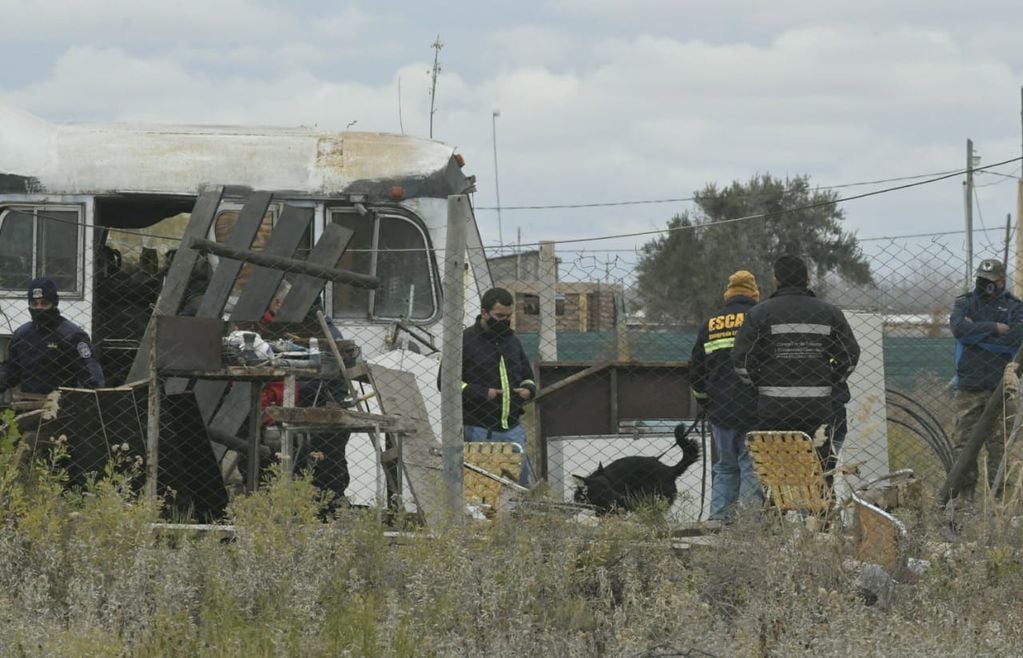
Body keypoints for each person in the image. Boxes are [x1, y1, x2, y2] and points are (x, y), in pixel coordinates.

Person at [731, 256, 860, 476]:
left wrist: (760, 384)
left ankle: (776, 509)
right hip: (818, 409)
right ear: (807, 279)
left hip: (773, 410)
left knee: (775, 476)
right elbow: (850, 355)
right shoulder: (830, 314)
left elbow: (741, 361)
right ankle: (818, 509)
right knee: (819, 474)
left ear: (776, 280)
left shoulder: (760, 314)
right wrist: (830, 380)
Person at [690, 270, 763, 521]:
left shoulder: (711, 324)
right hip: (755, 408)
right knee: (751, 467)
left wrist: (703, 400)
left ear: (728, 294)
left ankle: (718, 521)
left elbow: (696, 370)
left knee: (725, 466)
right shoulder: (758, 320)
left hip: (720, 410)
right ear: (754, 293)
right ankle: (751, 526)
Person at [948, 257, 1023, 499]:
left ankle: (999, 500)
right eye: (982, 280)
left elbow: (1014, 339)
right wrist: (994, 327)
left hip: (1002, 385)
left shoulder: (1015, 307)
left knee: (999, 446)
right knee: (963, 444)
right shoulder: (965, 303)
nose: (986, 285)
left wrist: (975, 333)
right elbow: (959, 330)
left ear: (1001, 281)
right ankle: (965, 497)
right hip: (969, 385)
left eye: (991, 281)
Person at [460, 287, 537, 486]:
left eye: (508, 316)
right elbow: (447, 383)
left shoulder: (513, 342)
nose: (504, 321)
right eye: (499, 316)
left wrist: (528, 390)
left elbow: (528, 377)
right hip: (478, 428)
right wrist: (484, 393)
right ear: (484, 313)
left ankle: (516, 516)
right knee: (481, 490)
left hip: (512, 429)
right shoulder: (465, 341)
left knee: (518, 489)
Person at [0, 277, 105, 395]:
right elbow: (12, 370)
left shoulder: (72, 335)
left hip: (61, 405)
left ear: (54, 303)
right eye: (34, 304)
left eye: (44, 303)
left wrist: (95, 394)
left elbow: (90, 371)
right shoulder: (21, 335)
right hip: (27, 403)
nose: (39, 308)